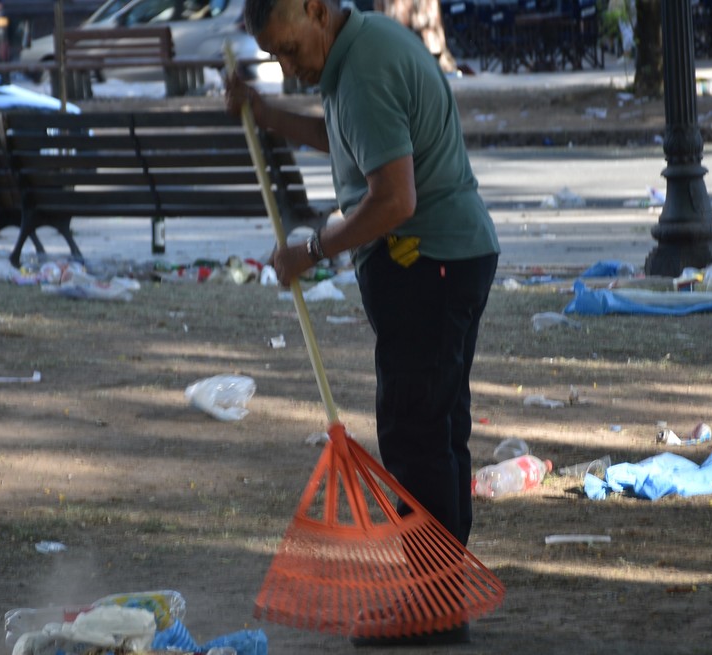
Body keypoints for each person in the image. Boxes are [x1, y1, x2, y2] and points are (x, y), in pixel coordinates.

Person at [225, 0, 499, 646]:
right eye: (275, 57)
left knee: (416, 435)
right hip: (443, 260)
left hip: (428, 263)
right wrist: (267, 113)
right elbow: (354, 139)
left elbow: (395, 198)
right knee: (436, 431)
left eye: (291, 48)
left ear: (316, 10)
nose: (288, 68)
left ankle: (431, 606)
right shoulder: (356, 55)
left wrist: (312, 248)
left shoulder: (367, 66)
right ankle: (440, 594)